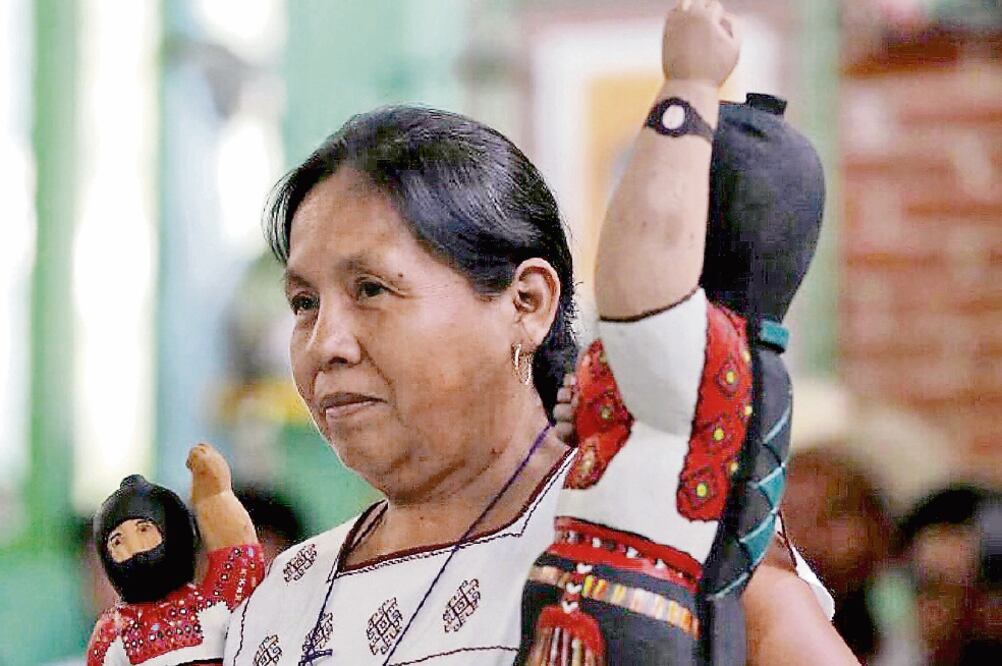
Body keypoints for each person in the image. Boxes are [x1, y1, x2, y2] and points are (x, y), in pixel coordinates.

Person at [224, 2, 852, 664]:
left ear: (527, 302)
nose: (327, 344)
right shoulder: (283, 597)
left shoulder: (658, 528)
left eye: (371, 290)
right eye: (302, 302)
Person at [87, 444, 264, 665]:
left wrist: (215, 497)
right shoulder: (113, 633)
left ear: (177, 533)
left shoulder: (211, 607)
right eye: (118, 541)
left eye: (144, 530)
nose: (135, 549)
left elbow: (241, 561)